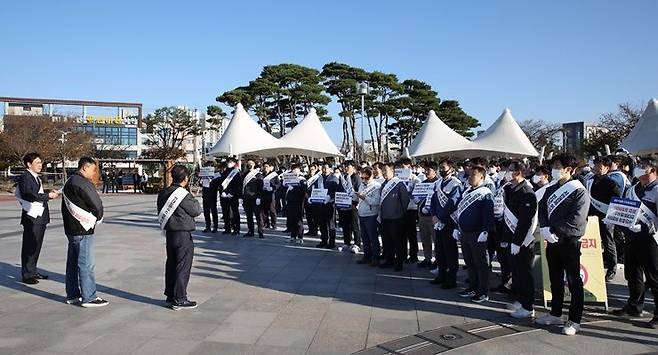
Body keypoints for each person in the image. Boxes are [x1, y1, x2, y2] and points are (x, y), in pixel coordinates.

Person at [536, 154, 590, 336]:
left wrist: (554, 231)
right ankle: (555, 313)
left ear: (570, 169)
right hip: (551, 239)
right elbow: (542, 209)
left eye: (558, 166)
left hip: (569, 241)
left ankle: (575, 320)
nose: (554, 169)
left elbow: (576, 219)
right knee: (555, 278)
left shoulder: (579, 190)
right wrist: (544, 228)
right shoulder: (551, 189)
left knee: (574, 281)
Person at [611, 156, 658, 329]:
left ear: (652, 170)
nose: (638, 169)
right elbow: (624, 208)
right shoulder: (634, 188)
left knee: (654, 278)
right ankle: (634, 305)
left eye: (642, 166)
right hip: (632, 237)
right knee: (632, 273)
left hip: (651, 240)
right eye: (638, 165)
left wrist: (645, 228)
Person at [61, 157, 108, 307]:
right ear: (85, 168)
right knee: (86, 263)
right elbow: (97, 205)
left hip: (71, 227)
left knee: (73, 263)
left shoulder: (70, 181)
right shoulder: (83, 183)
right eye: (93, 170)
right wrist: (98, 218)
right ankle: (89, 296)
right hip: (83, 228)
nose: (94, 173)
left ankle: (73, 294)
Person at [157, 165, 202, 310]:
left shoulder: (164, 192)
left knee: (171, 264)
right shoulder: (183, 194)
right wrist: (193, 197)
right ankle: (180, 298)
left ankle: (171, 295)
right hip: (182, 233)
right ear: (185, 179)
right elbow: (196, 210)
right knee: (182, 266)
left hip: (170, 233)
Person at [501, 161, 538, 319]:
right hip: (511, 239)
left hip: (522, 241)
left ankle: (528, 306)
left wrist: (517, 242)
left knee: (524, 274)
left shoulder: (526, 192)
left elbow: (525, 221)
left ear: (519, 173)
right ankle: (520, 300)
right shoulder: (509, 189)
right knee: (515, 272)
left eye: (510, 170)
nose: (507, 173)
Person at [16, 152, 59, 284]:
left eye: (41, 162)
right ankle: (27, 274)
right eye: (37, 162)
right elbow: (29, 195)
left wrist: (48, 193)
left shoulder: (35, 177)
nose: (40, 165)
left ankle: (33, 270)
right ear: (29, 164)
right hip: (32, 217)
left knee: (36, 245)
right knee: (30, 245)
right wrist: (48, 196)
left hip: (39, 216)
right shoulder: (25, 177)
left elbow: (37, 193)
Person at [454, 165, 495, 303]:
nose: (469, 177)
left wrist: (485, 230)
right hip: (465, 233)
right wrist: (456, 227)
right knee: (469, 262)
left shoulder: (485, 192)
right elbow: (459, 211)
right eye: (469, 174)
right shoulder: (466, 192)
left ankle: (483, 291)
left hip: (478, 233)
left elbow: (488, 214)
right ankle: (473, 287)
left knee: (481, 264)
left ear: (482, 177)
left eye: (473, 175)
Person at [586, 156, 621, 281]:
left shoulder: (611, 183)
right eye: (595, 165)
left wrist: (610, 217)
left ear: (607, 168)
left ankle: (612, 268)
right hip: (591, 217)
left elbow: (617, 202)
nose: (596, 168)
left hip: (605, 217)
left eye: (599, 166)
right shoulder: (590, 180)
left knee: (608, 242)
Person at [429, 159, 462, 289]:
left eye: (444, 167)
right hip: (438, 222)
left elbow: (452, 204)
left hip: (449, 223)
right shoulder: (438, 183)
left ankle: (451, 278)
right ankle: (441, 274)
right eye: (440, 167)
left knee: (450, 251)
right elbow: (432, 201)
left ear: (451, 169)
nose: (441, 170)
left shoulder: (455, 184)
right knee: (440, 250)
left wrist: (440, 217)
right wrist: (434, 215)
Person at [379, 162, 410, 271]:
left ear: (392, 171)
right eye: (382, 171)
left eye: (385, 171)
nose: (383, 173)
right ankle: (389, 260)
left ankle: (399, 262)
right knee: (387, 241)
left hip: (396, 219)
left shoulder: (399, 184)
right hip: (385, 218)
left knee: (398, 242)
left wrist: (399, 214)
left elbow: (405, 201)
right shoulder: (383, 184)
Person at [310, 162, 340, 249]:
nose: (324, 170)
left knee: (331, 224)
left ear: (331, 169)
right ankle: (323, 240)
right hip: (320, 204)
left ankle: (332, 242)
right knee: (322, 223)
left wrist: (330, 196)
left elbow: (337, 191)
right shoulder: (319, 178)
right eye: (323, 168)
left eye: (326, 168)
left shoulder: (334, 179)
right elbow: (314, 188)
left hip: (330, 204)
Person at [356, 167, 381, 266]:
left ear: (372, 176)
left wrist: (364, 197)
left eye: (366, 178)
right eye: (362, 178)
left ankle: (376, 258)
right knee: (364, 237)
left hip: (371, 215)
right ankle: (367, 256)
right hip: (361, 213)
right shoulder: (361, 185)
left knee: (373, 238)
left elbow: (376, 201)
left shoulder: (376, 186)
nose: (364, 180)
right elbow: (359, 199)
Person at [417, 161, 439, 268]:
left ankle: (438, 259)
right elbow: (417, 197)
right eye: (425, 170)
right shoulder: (423, 183)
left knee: (436, 239)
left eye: (428, 170)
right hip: (422, 215)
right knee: (425, 238)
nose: (426, 172)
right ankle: (427, 258)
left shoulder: (438, 183)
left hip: (433, 216)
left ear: (435, 171)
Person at [337, 160, 362, 253]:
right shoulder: (343, 177)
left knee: (355, 225)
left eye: (348, 166)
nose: (346, 168)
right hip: (343, 203)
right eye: (345, 166)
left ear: (353, 167)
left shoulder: (357, 178)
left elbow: (358, 190)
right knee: (345, 225)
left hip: (353, 205)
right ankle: (346, 242)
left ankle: (357, 244)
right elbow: (339, 189)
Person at [399, 158, 421, 264]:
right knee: (401, 234)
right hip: (400, 209)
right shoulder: (398, 178)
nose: (403, 168)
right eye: (401, 167)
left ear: (409, 166)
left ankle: (413, 255)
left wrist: (411, 194)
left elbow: (419, 195)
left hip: (411, 209)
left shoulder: (415, 179)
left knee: (411, 234)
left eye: (404, 166)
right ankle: (402, 254)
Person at [285, 164, 307, 243]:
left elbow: (303, 191)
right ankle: (293, 236)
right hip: (290, 201)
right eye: (293, 169)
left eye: (296, 169)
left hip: (298, 202)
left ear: (299, 170)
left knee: (298, 220)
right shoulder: (290, 178)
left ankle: (300, 237)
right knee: (291, 219)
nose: (294, 171)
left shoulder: (301, 179)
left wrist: (293, 189)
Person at [219, 157, 242, 235]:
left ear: (234, 163)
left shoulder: (236, 173)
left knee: (235, 212)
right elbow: (220, 184)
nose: (229, 163)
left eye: (231, 162)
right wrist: (222, 192)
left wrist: (232, 193)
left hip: (233, 196)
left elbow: (238, 185)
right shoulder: (224, 172)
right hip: (224, 196)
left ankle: (236, 229)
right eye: (228, 162)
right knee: (225, 213)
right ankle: (227, 228)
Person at [242, 159, 264, 238]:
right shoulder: (244, 174)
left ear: (254, 164)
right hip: (246, 198)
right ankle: (250, 231)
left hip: (255, 198)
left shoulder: (258, 174)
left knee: (258, 216)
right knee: (249, 216)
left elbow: (261, 187)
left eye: (251, 163)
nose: (249, 164)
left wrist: (259, 197)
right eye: (248, 163)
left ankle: (260, 231)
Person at [201, 163, 220, 233]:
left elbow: (218, 184)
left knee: (214, 211)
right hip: (205, 195)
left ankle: (215, 226)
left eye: (209, 167)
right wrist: (201, 180)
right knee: (206, 211)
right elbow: (202, 185)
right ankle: (207, 226)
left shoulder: (216, 175)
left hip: (212, 195)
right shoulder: (204, 175)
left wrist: (212, 181)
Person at [261, 161, 280, 230]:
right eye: (264, 166)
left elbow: (278, 184)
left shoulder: (274, 175)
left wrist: (272, 188)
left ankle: (274, 224)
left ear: (269, 168)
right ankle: (266, 224)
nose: (265, 168)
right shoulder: (261, 175)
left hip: (271, 194)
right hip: (263, 194)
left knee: (272, 210)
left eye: (267, 167)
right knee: (264, 210)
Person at [304, 163, 320, 236]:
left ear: (316, 170)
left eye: (312, 170)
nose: (311, 171)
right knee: (308, 216)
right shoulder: (306, 177)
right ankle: (310, 229)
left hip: (315, 199)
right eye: (310, 170)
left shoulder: (318, 178)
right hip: (307, 199)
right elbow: (304, 187)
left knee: (315, 216)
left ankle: (315, 230)